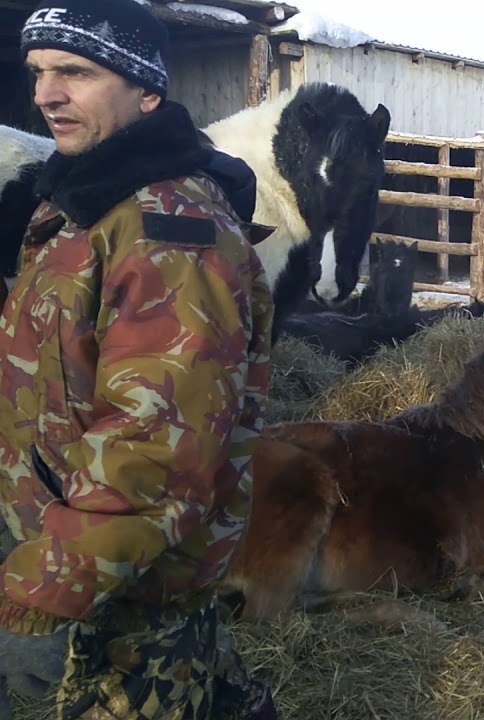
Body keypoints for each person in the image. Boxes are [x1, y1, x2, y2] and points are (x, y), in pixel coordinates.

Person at [0, 1, 277, 718]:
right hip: (86, 543)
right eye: (37, 73)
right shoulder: (86, 196)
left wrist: (39, 581)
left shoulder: (169, 233)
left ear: (147, 90)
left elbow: (155, 451)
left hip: (118, 583)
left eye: (75, 72)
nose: (44, 94)